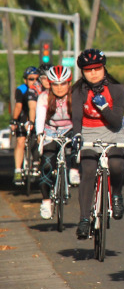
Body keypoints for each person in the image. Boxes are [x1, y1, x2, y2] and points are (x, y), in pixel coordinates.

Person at [71, 49, 124, 240]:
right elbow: (77, 117)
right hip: (88, 131)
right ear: (83, 72)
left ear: (104, 68)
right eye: (88, 70)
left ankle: (117, 195)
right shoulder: (78, 91)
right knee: (87, 170)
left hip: (112, 131)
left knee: (117, 164)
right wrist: (77, 134)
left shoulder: (117, 89)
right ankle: (84, 219)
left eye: (97, 68)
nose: (93, 73)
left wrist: (103, 107)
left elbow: (117, 122)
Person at [35, 65, 73, 219]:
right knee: (46, 164)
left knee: (78, 151)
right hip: (51, 130)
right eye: (55, 84)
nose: (59, 88)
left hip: (70, 129)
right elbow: (40, 117)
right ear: (50, 84)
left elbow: (79, 117)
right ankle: (45, 201)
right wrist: (39, 134)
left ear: (69, 83)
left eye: (63, 84)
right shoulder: (44, 97)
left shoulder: (75, 96)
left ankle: (73, 171)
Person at [11, 66, 41, 185]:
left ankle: (36, 163)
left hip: (37, 117)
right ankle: (18, 170)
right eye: (31, 79)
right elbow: (18, 106)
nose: (34, 82)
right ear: (25, 80)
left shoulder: (41, 89)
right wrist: (14, 120)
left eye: (37, 79)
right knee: (20, 141)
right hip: (24, 115)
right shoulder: (21, 89)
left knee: (38, 139)